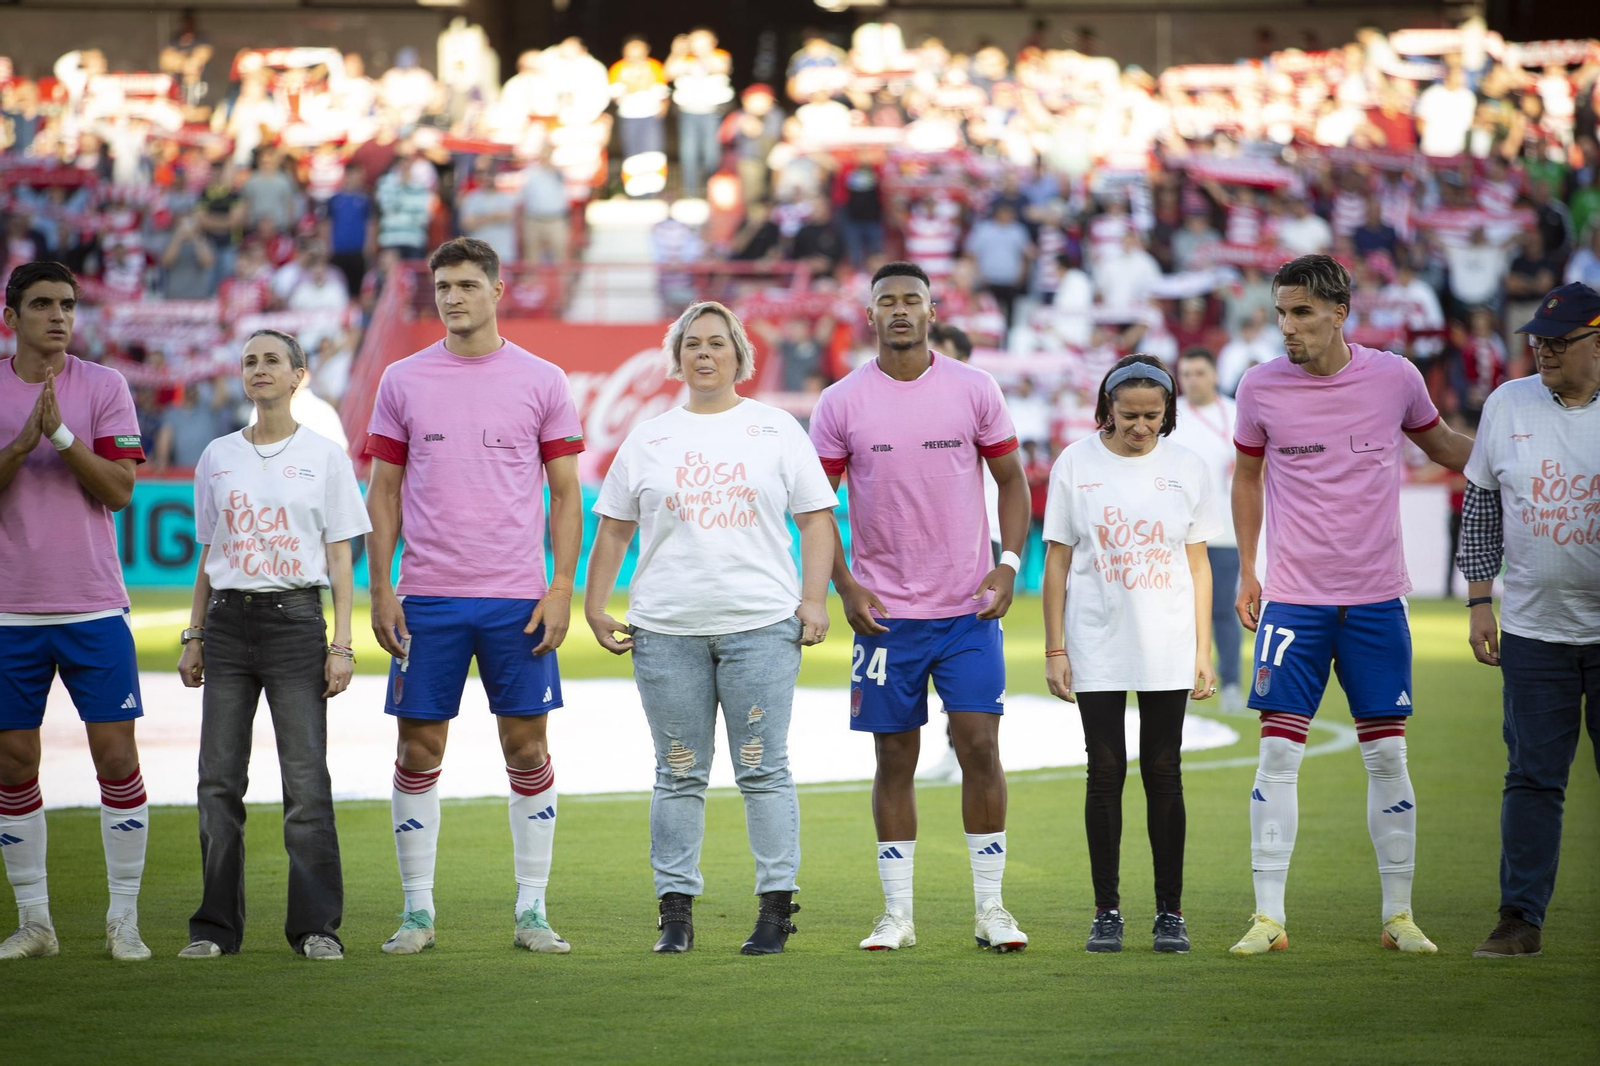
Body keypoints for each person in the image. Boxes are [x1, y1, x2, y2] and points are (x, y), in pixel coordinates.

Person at [1228, 254, 1474, 956]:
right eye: (1281, 313)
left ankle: (1399, 916)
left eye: (1301, 313)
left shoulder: (1395, 378)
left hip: (1375, 601)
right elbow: (1246, 477)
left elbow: (1445, 445)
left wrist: (1510, 452)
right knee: (1276, 755)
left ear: (1339, 312)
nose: (1287, 328)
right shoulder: (1259, 387)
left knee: (1388, 759)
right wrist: (1250, 569)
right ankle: (1268, 918)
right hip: (1294, 602)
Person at [585, 301, 837, 955]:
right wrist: (593, 603)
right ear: (676, 357)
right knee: (678, 771)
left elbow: (816, 519)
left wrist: (815, 600)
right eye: (691, 343)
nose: (704, 353)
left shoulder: (775, 428)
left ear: (739, 355)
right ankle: (675, 915)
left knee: (762, 769)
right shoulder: (649, 437)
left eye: (717, 343)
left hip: (760, 625)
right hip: (665, 630)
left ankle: (775, 912)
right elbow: (613, 525)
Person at [363, 238, 585, 956]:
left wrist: (560, 588)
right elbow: (384, 492)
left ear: (496, 291)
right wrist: (381, 589)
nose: (452, 297)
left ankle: (533, 912)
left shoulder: (542, 379)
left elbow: (566, 494)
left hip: (516, 599)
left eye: (465, 285)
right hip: (426, 598)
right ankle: (417, 913)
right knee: (419, 749)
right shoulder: (400, 379)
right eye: (442, 286)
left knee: (526, 749)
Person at [809, 261, 1032, 953]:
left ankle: (992, 910)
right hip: (885, 619)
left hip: (967, 612)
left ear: (932, 312)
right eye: (887, 302)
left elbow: (1013, 483)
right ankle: (897, 916)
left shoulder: (974, 389)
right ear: (869, 315)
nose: (900, 310)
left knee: (980, 747)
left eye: (912, 300)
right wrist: (845, 586)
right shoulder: (841, 402)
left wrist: (1007, 564)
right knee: (894, 758)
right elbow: (814, 508)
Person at [176, 329, 370, 961]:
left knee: (306, 784)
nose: (259, 370)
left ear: (298, 376)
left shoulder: (325, 456)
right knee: (218, 783)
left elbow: (341, 558)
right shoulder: (217, 456)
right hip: (228, 626)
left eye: (272, 361)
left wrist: (342, 644)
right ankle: (214, 929)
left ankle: (316, 928)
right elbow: (209, 553)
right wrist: (195, 633)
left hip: (295, 625)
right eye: (250, 361)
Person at [1041, 354, 1220, 954]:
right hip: (1095, 639)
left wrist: (1204, 648)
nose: (1141, 427)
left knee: (1164, 772)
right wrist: (1055, 648)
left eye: (1153, 415)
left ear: (1168, 412)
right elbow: (1058, 562)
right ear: (1106, 410)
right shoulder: (1075, 462)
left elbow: (1198, 565)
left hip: (1168, 640)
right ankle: (1107, 910)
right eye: (1129, 415)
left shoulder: (1188, 467)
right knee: (1105, 773)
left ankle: (1170, 911)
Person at [0, 262, 150, 961]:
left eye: (66, 304)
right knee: (11, 762)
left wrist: (61, 440)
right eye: (41, 305)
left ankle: (125, 921)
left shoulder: (104, 386)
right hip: (9, 610)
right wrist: (23, 445)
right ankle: (36, 922)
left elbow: (120, 491)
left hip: (93, 606)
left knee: (116, 758)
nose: (58, 316)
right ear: (12, 317)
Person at [1457, 282, 1600, 959]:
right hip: (1535, 632)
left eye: (1559, 341)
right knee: (1533, 777)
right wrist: (1480, 599)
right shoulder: (1507, 403)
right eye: (1538, 340)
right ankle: (1519, 918)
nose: (1542, 350)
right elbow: (1482, 503)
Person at [1170, 349, 1244, 709]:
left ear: (1214, 374)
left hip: (1226, 530)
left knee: (1222, 610)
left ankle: (1230, 683)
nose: (1192, 379)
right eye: (1185, 373)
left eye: (1199, 372)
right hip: (1179, 532)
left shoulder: (1235, 412)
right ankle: (1178, 683)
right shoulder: (1172, 417)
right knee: (1178, 610)